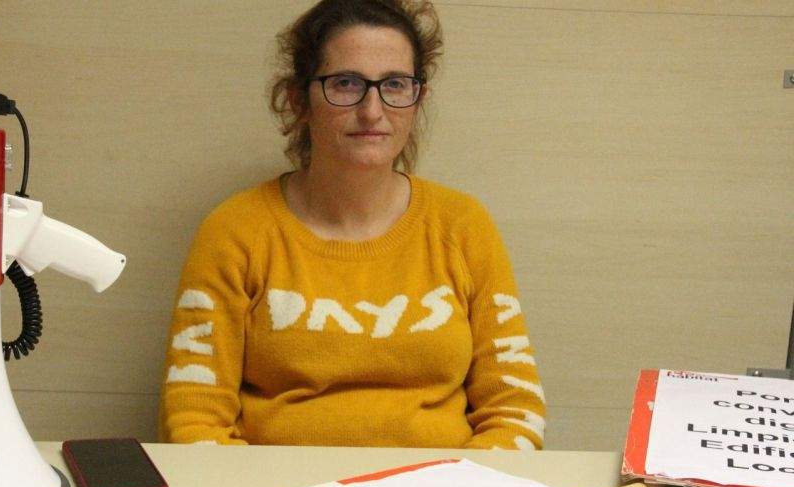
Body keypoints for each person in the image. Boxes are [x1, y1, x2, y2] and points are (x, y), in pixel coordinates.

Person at [159, 0, 545, 450]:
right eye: (346, 83)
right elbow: (194, 420)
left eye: (395, 84)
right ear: (299, 100)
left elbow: (515, 411)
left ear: (418, 98)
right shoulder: (234, 230)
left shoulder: (463, 226)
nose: (372, 110)